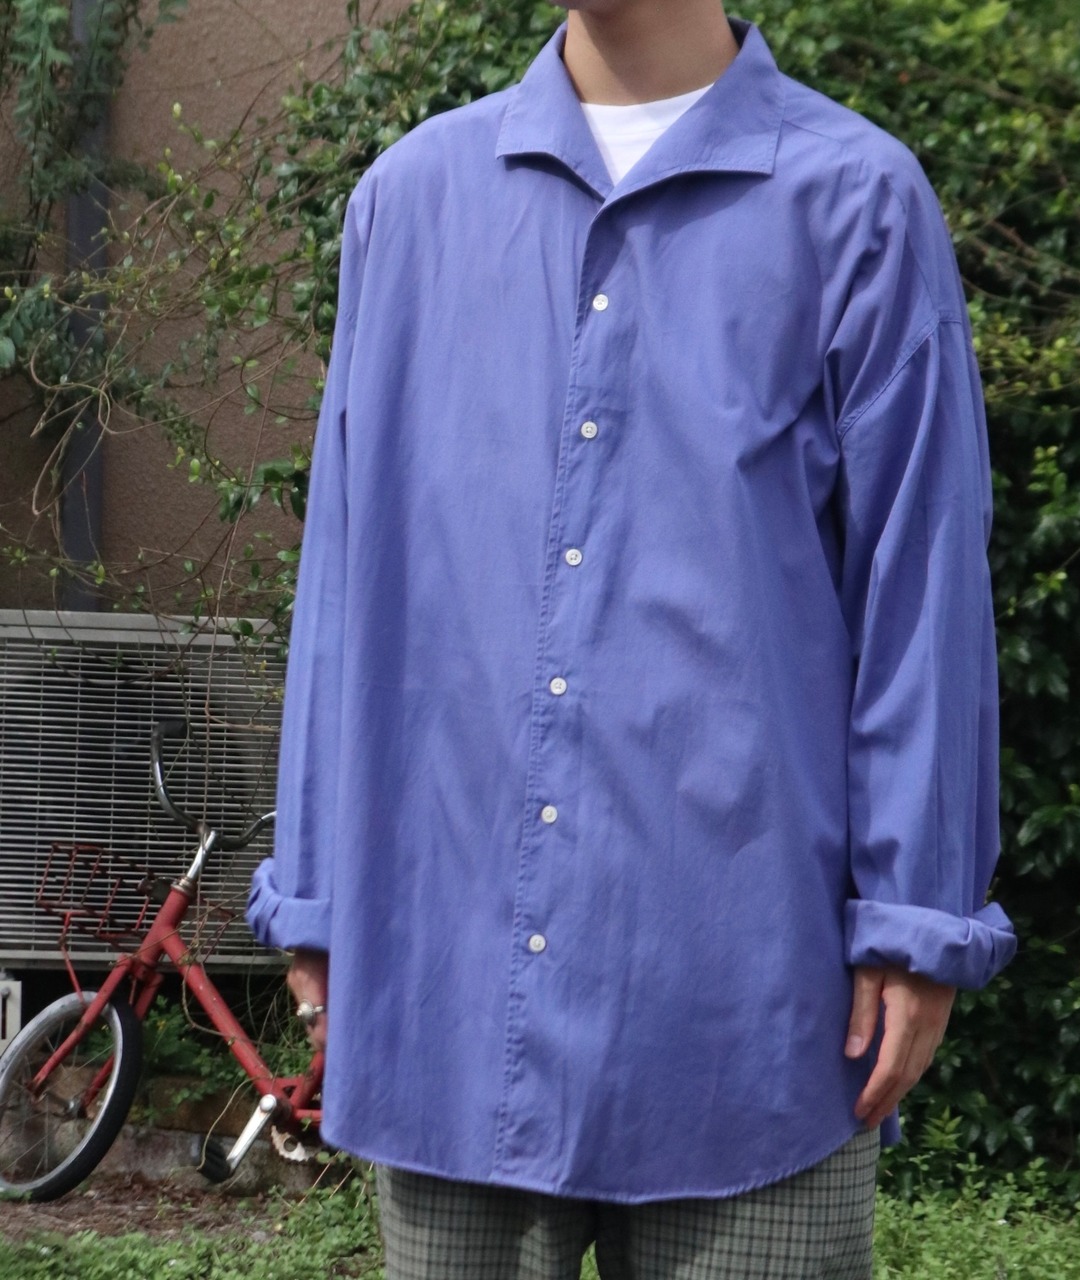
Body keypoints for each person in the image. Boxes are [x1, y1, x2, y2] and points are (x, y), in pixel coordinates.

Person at [246, 1, 1017, 1276]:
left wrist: (914, 909)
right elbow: (345, 569)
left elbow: (919, 577)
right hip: (449, 991)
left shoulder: (855, 203)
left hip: (751, 1022)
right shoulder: (411, 202)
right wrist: (321, 889)